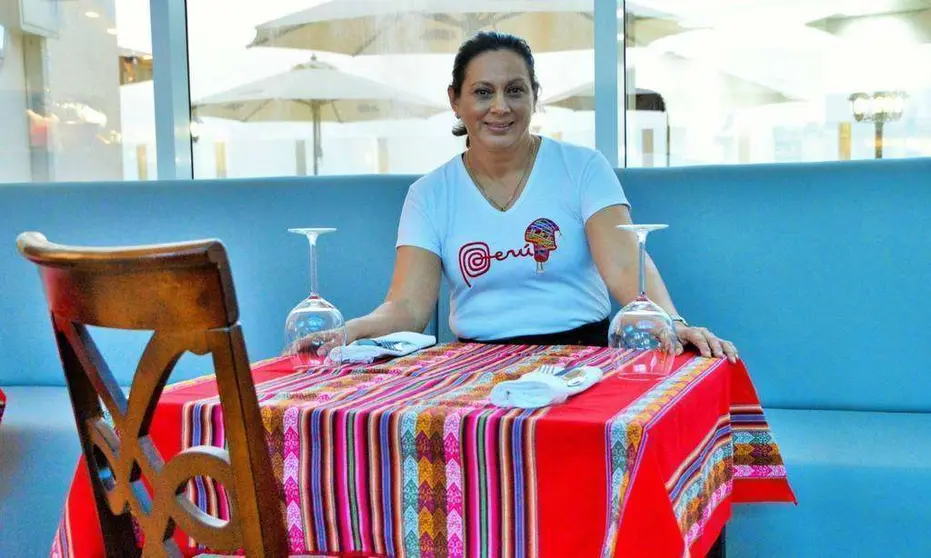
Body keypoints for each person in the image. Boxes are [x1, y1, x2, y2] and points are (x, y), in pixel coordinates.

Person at [345, 31, 738, 363]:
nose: (500, 107)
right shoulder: (428, 194)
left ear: (534, 96)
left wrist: (673, 322)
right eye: (483, 92)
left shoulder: (582, 167)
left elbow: (623, 266)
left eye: (515, 90)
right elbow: (409, 308)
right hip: (472, 369)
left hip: (584, 358)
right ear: (455, 100)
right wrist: (347, 330)